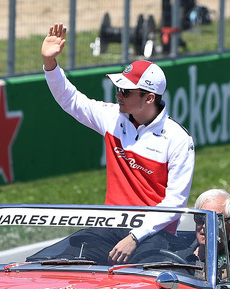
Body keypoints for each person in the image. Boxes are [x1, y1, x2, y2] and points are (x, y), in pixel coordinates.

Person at [41, 23, 195, 265]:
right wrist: (50, 65)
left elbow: (175, 203)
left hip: (155, 236)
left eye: (125, 91)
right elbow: (71, 100)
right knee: (54, 262)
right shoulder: (112, 117)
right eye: (118, 88)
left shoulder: (178, 139)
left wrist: (135, 236)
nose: (118, 95)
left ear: (149, 98)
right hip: (110, 227)